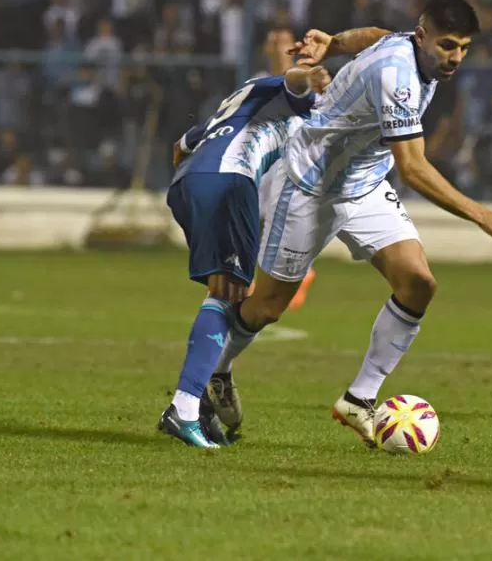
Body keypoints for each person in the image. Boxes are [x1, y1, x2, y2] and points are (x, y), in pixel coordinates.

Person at [206, 0, 492, 448]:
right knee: (266, 308)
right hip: (308, 186)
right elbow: (414, 168)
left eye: (464, 48)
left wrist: (333, 41)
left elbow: (374, 34)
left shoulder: (409, 49)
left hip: (364, 185)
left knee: (418, 283)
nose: (456, 57)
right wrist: (481, 215)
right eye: (448, 45)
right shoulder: (396, 77)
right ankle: (213, 374)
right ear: (423, 36)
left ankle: (359, 398)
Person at [157, 28, 383, 447]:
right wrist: (310, 77)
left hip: (187, 182)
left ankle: (200, 403)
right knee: (228, 296)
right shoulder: (294, 93)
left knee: (228, 293)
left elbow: (183, 142)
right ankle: (185, 407)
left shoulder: (246, 92)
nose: (328, 89)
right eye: (327, 84)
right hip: (230, 182)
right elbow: (297, 83)